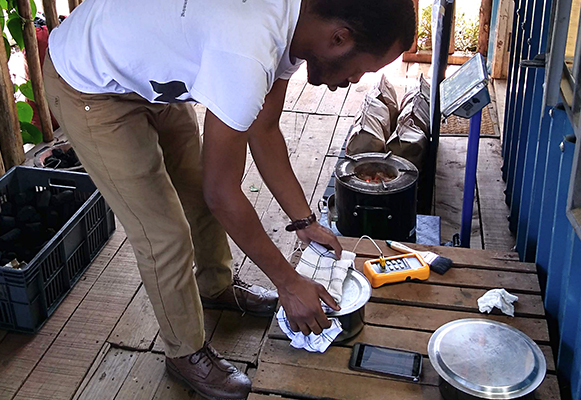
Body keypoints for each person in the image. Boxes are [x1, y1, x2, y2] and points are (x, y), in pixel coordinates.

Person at [43, 0, 415, 398]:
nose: (354, 80)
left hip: (146, 72)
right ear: (339, 37)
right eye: (361, 68)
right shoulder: (247, 50)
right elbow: (223, 193)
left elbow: (265, 130)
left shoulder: (296, 22)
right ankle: (184, 352)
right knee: (163, 234)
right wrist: (288, 283)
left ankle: (215, 287)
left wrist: (305, 221)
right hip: (88, 83)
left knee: (196, 190)